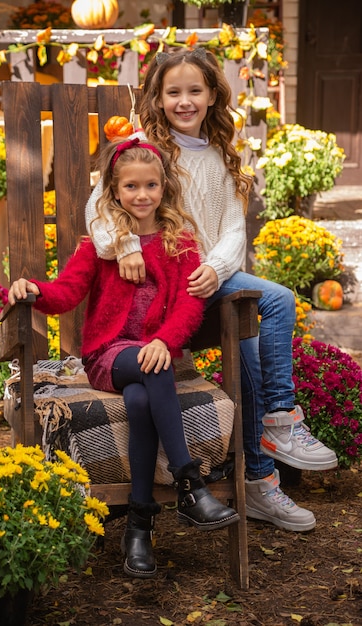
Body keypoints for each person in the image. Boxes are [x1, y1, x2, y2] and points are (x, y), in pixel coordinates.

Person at [86, 47, 338, 533]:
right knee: (247, 343)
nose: (184, 100)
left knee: (271, 308)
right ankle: (268, 460)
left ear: (212, 96)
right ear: (157, 99)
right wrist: (122, 246)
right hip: (161, 291)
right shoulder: (141, 148)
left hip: (210, 281)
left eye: (194, 91)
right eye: (173, 91)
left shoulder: (221, 153)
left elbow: (232, 229)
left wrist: (219, 267)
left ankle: (272, 443)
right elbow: (97, 207)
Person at [8, 138, 241, 580]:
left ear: (164, 187)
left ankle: (139, 524)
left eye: (150, 185)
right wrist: (34, 289)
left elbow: (192, 307)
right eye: (131, 186)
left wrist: (163, 341)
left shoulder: (180, 242)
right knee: (156, 366)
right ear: (114, 192)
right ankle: (190, 483)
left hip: (151, 360)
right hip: (107, 357)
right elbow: (67, 292)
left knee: (140, 399)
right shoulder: (104, 245)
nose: (141, 195)